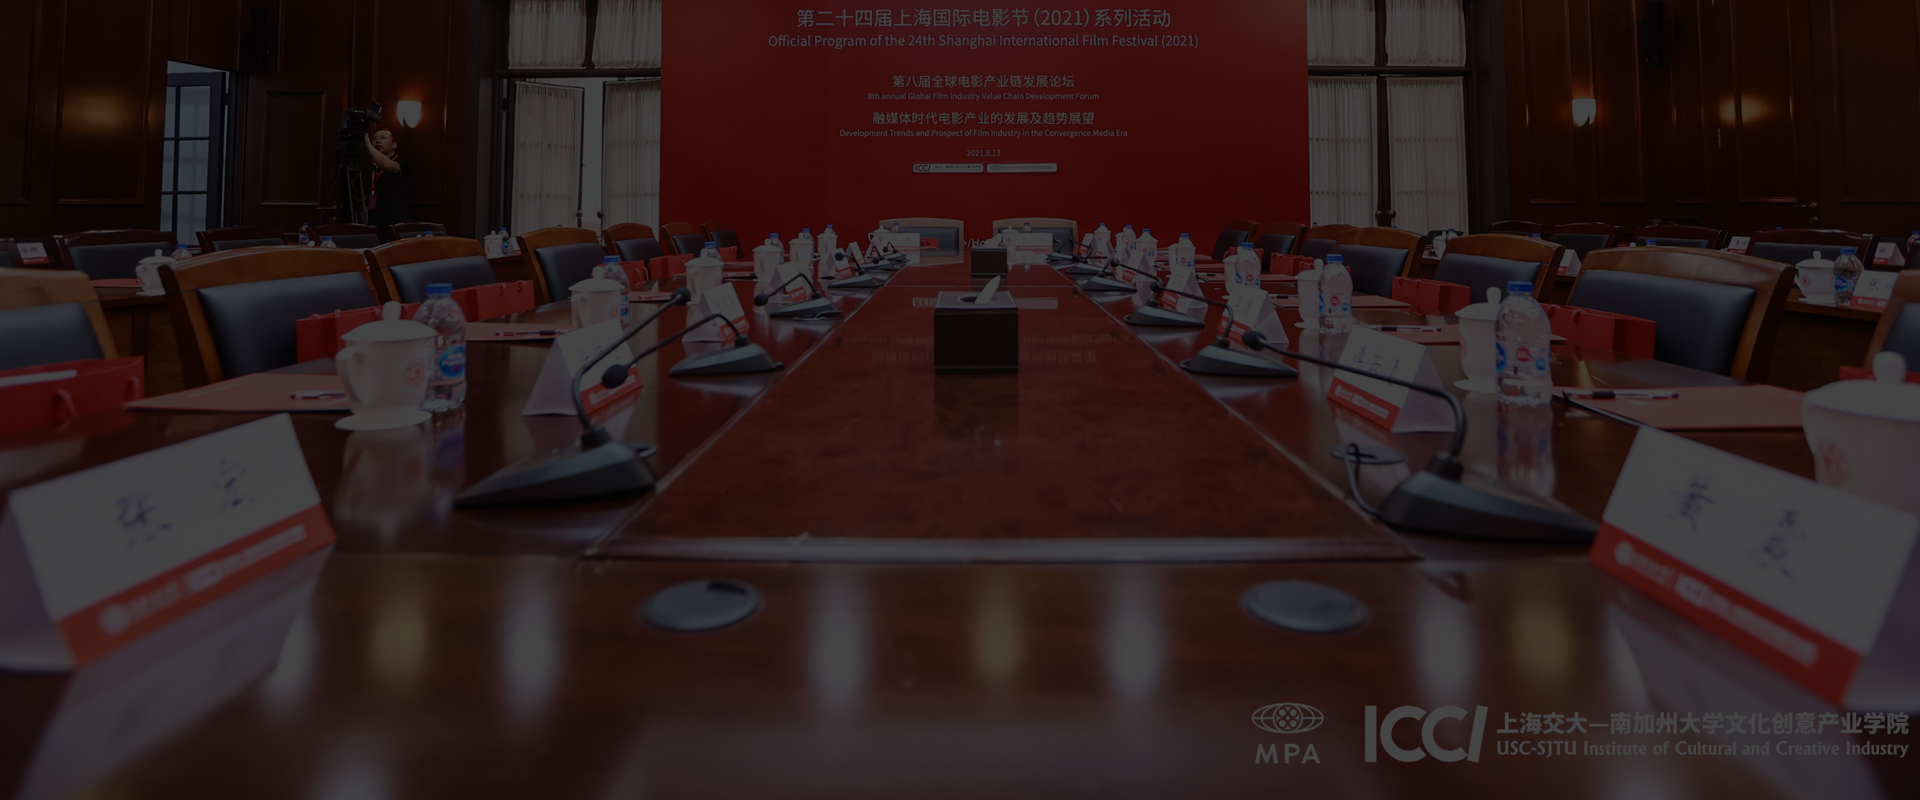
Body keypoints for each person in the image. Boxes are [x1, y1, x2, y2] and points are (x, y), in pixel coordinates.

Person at [364, 129, 413, 228]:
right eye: (374, 139)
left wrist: (368, 145)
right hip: (376, 223)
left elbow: (387, 165)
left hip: (395, 222)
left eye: (383, 138)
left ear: (394, 145)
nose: (378, 141)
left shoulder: (402, 162)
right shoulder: (374, 169)